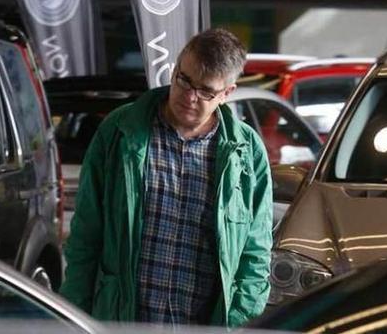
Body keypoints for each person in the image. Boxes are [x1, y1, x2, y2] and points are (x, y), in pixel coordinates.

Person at [59, 28, 272, 328]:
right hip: (123, 320)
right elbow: (85, 235)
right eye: (184, 79)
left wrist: (240, 321)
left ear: (226, 94)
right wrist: (72, 315)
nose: (189, 96)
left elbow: (256, 252)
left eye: (205, 91)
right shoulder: (120, 132)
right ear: (175, 68)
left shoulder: (247, 154)